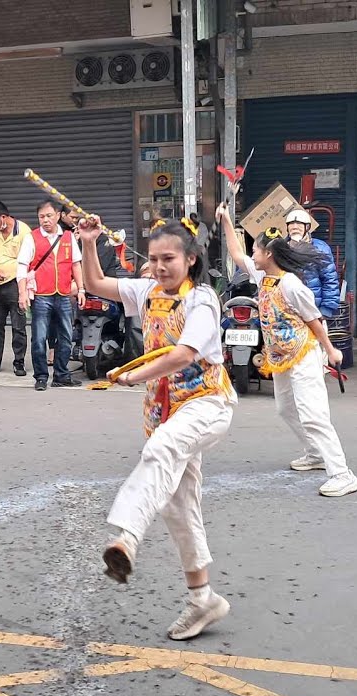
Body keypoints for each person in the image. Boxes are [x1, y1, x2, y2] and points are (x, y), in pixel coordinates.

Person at [79, 213, 237, 642]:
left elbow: (185, 354)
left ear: (190, 259)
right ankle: (203, 599)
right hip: (164, 411)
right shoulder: (147, 290)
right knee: (179, 508)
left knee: (161, 450)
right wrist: (90, 242)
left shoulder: (201, 300)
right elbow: (96, 284)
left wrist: (133, 376)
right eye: (153, 259)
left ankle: (126, 538)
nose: (160, 266)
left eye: (169, 258)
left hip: (206, 403)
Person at [219, 207, 357, 498]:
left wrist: (331, 351)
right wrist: (226, 221)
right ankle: (315, 453)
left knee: (313, 415)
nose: (252, 255)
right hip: (280, 356)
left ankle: (342, 473)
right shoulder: (263, 278)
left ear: (268, 254)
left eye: (256, 251)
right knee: (285, 408)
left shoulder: (292, 284)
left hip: (305, 354)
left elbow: (315, 320)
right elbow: (235, 254)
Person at [18, 200, 84, 391]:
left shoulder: (69, 237)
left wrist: (80, 289)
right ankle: (40, 377)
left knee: (65, 336)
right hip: (41, 296)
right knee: (39, 338)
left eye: (48, 216)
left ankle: (61, 375)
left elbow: (76, 264)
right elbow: (22, 267)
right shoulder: (32, 238)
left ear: (58, 216)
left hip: (63, 294)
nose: (45, 220)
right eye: (41, 217)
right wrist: (22, 293)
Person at [0, 201, 31, 377]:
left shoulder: (23, 231)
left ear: (3, 217)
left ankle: (19, 362)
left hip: (16, 284)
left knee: (19, 326)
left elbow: (29, 260)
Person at [283, 208, 341, 319]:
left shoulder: (320, 248)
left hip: (313, 310)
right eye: (291, 224)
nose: (295, 227)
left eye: (299, 224)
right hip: (286, 310)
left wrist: (326, 310)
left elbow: (330, 280)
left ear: (307, 227)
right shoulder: (280, 248)